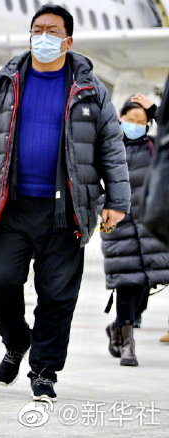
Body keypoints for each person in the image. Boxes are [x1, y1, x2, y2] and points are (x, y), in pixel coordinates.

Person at [0, 4, 130, 402]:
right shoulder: (6, 81)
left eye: (52, 31)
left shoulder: (89, 89)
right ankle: (17, 341)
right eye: (37, 29)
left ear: (68, 41)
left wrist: (117, 200)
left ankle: (44, 371)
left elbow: (111, 145)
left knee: (57, 297)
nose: (43, 37)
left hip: (66, 210)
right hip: (11, 205)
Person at [100, 95, 169, 366]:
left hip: (149, 227)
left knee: (144, 285)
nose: (135, 125)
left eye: (141, 122)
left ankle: (118, 326)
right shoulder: (106, 147)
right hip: (118, 225)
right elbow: (92, 181)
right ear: (120, 118)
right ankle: (128, 343)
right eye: (131, 120)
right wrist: (103, 209)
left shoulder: (154, 148)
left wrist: (157, 110)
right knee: (126, 284)